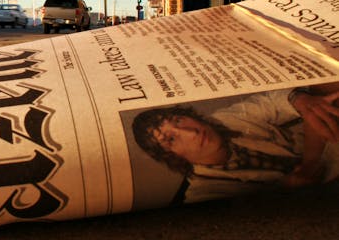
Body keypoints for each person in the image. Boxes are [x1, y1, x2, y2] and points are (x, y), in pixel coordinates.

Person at [131, 86, 339, 203]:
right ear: (172, 157)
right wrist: (285, 187)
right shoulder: (204, 193)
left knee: (324, 87)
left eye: (178, 120)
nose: (191, 132)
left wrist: (299, 99)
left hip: (324, 146)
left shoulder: (223, 121)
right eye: (171, 139)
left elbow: (269, 103)